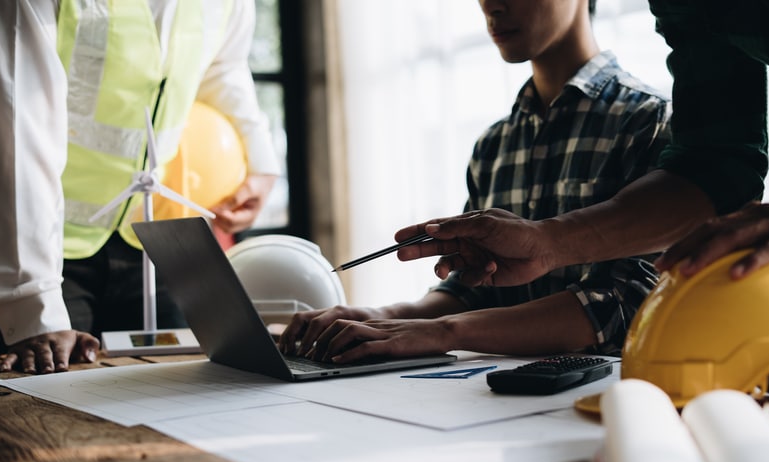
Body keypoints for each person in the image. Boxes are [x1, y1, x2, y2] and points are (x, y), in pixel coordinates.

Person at [279, 0, 671, 363]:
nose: (490, 5)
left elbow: (628, 302)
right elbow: (474, 289)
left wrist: (441, 333)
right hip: (492, 400)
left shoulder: (650, 123)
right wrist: (383, 317)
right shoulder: (494, 144)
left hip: (607, 404)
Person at [0, 0, 281, 373]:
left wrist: (260, 161)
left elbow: (222, 66)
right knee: (42, 406)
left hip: (153, 237)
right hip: (33, 250)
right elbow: (14, 124)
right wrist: (31, 306)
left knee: (191, 392)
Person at [392, 0, 769, 290]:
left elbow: (632, 296)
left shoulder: (646, 117)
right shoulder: (686, 10)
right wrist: (546, 242)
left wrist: (448, 330)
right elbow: (715, 166)